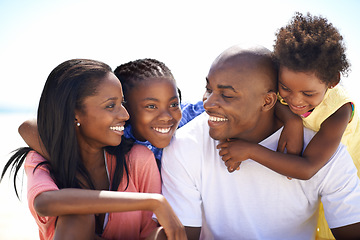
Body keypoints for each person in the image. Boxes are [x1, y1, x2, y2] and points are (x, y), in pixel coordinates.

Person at [160, 45, 360, 239]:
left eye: (227, 95)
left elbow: (307, 169)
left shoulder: (324, 147)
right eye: (208, 88)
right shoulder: (185, 145)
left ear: (267, 101)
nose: (208, 103)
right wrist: (292, 121)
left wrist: (254, 149)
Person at [1, 59, 186, 240]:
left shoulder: (138, 159)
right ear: (75, 113)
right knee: (76, 216)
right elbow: (44, 202)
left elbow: (148, 232)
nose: (125, 114)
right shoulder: (40, 159)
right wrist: (154, 202)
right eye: (110, 106)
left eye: (122, 103)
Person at [216, 13, 360, 240]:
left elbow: (307, 168)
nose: (295, 100)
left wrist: (250, 151)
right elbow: (271, 99)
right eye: (286, 88)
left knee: (330, 227)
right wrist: (292, 121)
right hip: (315, 174)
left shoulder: (339, 111)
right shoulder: (288, 82)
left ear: (332, 81)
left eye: (308, 93)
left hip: (341, 167)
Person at [18, 58, 205, 170]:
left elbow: (226, 110)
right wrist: (74, 169)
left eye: (173, 104)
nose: (166, 116)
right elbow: (28, 127)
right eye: (151, 107)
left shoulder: (186, 118)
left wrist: (236, 142)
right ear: (126, 108)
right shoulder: (120, 135)